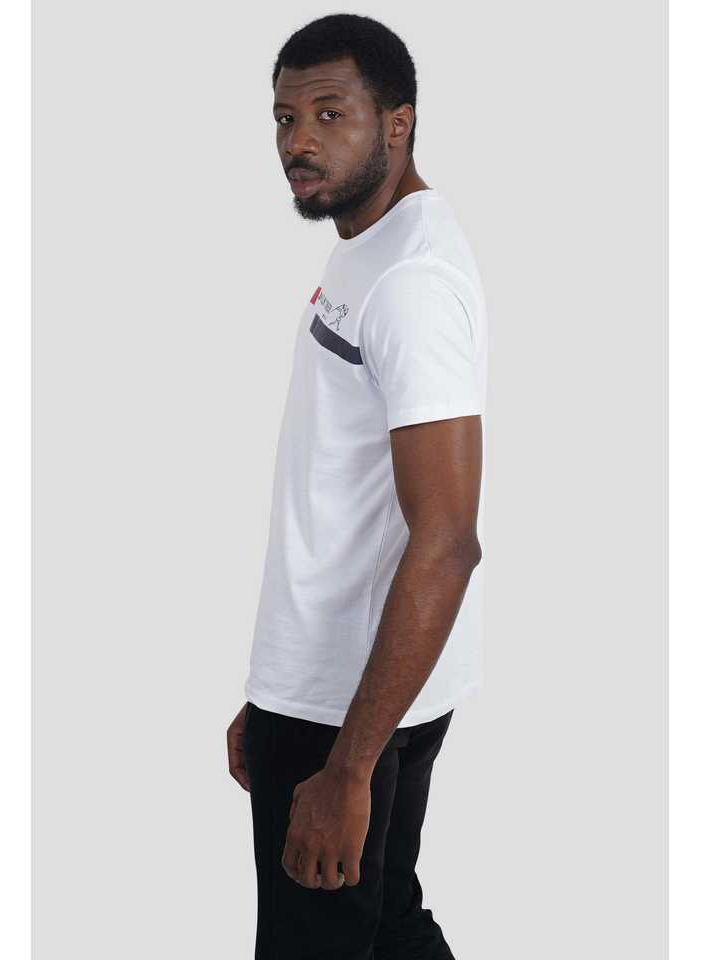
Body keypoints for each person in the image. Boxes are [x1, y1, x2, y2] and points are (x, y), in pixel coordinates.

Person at [226, 14, 488, 959]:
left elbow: (446, 541)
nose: (298, 141)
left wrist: (347, 768)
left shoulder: (412, 282)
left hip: (349, 714)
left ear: (398, 123)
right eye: (285, 118)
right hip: (330, 688)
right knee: (386, 931)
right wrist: (272, 688)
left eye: (330, 114)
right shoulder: (370, 242)